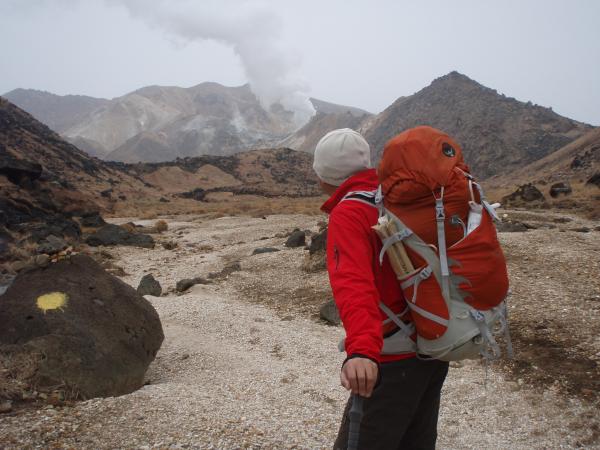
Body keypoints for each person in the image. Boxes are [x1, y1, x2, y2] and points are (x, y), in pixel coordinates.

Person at [313, 128, 449, 450]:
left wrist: (362, 351)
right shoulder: (396, 197)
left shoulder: (350, 212)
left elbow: (354, 285)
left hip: (391, 360)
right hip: (433, 345)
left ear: (325, 176)